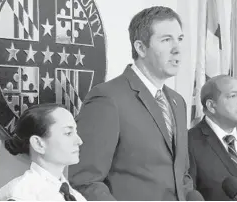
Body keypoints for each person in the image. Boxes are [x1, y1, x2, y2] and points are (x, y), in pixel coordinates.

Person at [69, 6, 193, 201]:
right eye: (166, 40)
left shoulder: (178, 102)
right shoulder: (107, 99)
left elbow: (182, 177)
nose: (177, 49)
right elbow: (85, 181)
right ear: (141, 48)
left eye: (180, 39)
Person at [0, 104, 86, 201]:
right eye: (68, 133)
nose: (79, 141)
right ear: (38, 144)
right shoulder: (20, 195)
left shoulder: (76, 196)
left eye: (75, 131)